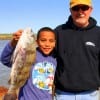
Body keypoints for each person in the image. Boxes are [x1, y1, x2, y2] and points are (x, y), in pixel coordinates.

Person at [54, 0, 100, 100]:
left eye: (84, 8)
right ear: (70, 10)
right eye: (75, 8)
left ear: (90, 10)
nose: (80, 12)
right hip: (62, 94)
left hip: (91, 94)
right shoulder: (59, 32)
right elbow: (42, 57)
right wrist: (15, 44)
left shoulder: (98, 33)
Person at [0, 27, 57, 100]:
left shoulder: (54, 59)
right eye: (43, 40)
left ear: (55, 43)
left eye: (51, 41)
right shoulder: (30, 54)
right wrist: (13, 43)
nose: (47, 44)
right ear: (37, 42)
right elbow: (5, 60)